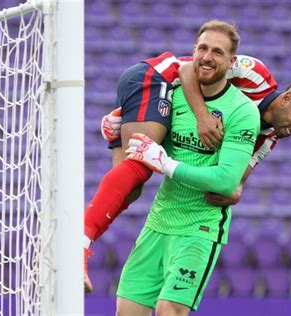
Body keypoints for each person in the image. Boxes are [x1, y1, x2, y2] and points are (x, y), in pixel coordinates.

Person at [83, 31, 276, 292]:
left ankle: (115, 137)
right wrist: (202, 116)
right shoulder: (258, 78)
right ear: (288, 98)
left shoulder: (267, 135)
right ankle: (79, 244)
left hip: (159, 92)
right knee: (142, 164)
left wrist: (233, 192)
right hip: (157, 77)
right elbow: (186, 70)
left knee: (129, 190)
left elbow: (232, 183)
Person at [115, 19, 261, 315]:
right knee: (126, 312)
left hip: (199, 228)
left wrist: (166, 164)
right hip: (158, 222)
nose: (207, 57)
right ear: (193, 51)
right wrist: (114, 134)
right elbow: (139, 143)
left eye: (217, 52)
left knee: (170, 311)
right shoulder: (173, 94)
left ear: (231, 61)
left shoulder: (243, 111)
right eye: (202, 48)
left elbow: (225, 180)